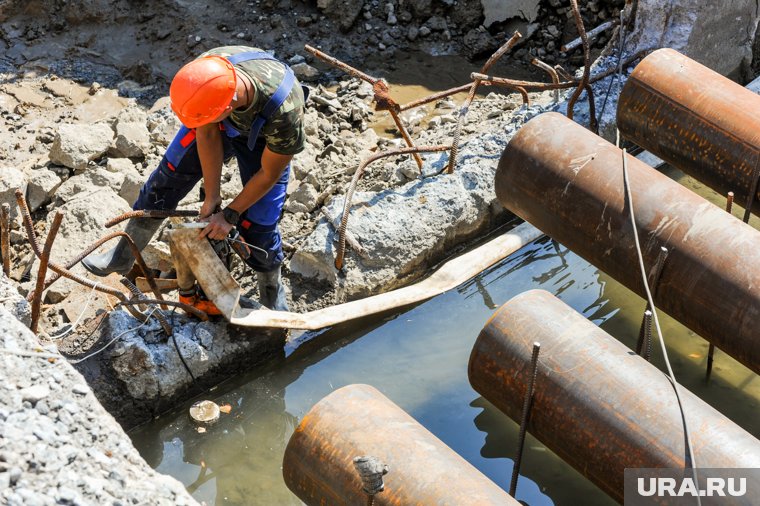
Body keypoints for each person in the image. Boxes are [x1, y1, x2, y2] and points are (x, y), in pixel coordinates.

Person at [82, 46, 307, 313]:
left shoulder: (286, 112)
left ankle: (271, 293)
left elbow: (268, 174)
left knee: (259, 223)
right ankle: (121, 257)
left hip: (265, 137)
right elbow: (207, 132)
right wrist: (212, 197)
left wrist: (231, 214)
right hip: (216, 116)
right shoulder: (205, 77)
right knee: (163, 184)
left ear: (230, 104)